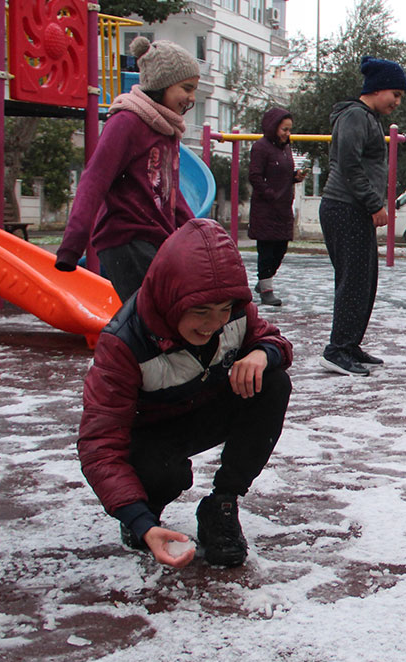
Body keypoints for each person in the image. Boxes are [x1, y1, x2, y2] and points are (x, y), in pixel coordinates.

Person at [78, 218, 293, 568]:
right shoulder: (124, 343)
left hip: (203, 408)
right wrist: (140, 522)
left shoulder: (235, 314)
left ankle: (222, 505)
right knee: (162, 474)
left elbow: (274, 340)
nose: (213, 324)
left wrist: (262, 353)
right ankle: (146, 510)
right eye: (200, 312)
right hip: (149, 433)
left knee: (272, 382)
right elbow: (98, 444)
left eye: (223, 310)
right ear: (170, 300)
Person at [54, 37, 199, 301]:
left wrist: (199, 232)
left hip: (155, 239)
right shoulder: (127, 122)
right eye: (186, 88)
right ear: (161, 85)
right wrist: (72, 244)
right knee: (157, 311)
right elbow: (95, 179)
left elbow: (169, 193)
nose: (192, 98)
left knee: (169, 308)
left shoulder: (167, 129)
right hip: (126, 237)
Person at [318, 56, 406, 377]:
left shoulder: (368, 118)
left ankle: (350, 343)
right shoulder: (354, 116)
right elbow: (349, 164)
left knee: (365, 280)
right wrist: (373, 204)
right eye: (395, 94)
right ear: (378, 88)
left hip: (354, 209)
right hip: (344, 207)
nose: (397, 102)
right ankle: (336, 350)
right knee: (353, 281)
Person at [248, 107, 307, 307]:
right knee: (266, 250)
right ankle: (267, 289)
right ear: (273, 127)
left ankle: (264, 281)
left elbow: (283, 175)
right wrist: (269, 194)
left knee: (281, 248)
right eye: (284, 129)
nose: (287, 134)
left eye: (289, 130)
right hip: (266, 208)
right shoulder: (260, 147)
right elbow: (255, 176)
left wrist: (295, 177)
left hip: (283, 208)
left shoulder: (285, 149)